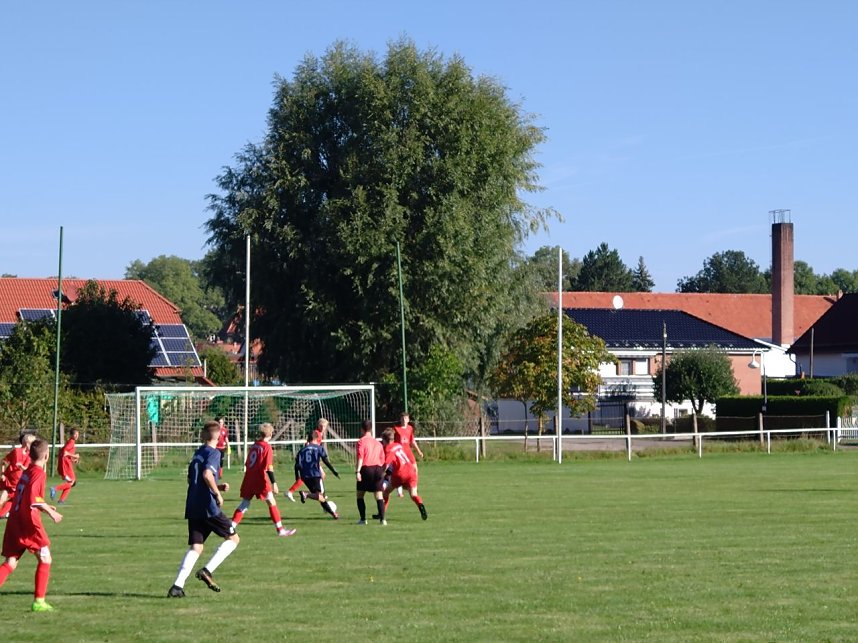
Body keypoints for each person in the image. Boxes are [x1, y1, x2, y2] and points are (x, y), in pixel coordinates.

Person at [168, 420, 240, 598]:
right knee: (233, 538)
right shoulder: (214, 453)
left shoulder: (198, 453)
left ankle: (177, 586)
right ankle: (207, 570)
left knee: (196, 547)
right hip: (208, 506)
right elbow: (207, 474)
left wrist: (217, 486)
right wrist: (217, 493)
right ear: (219, 435)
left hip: (193, 504)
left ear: (203, 435)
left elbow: (192, 478)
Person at [0, 438, 64, 612]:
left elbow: (30, 496)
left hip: (14, 520)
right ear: (47, 456)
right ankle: (39, 601)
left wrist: (43, 505)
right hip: (28, 523)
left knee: (11, 562)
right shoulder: (38, 473)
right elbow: (32, 499)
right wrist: (52, 513)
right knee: (45, 557)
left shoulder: (27, 471)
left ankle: (39, 601)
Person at [230, 423, 296, 537]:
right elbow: (269, 467)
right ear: (270, 434)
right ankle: (280, 530)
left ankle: (231, 527)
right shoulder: (267, 447)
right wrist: (274, 482)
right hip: (259, 478)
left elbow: (248, 462)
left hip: (248, 477)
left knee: (245, 503)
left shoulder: (254, 445)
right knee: (271, 501)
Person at [381, 428, 427, 521]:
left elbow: (386, 465)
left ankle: (382, 514)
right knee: (413, 494)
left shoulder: (388, 449)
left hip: (399, 474)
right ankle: (420, 504)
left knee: (385, 493)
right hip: (411, 470)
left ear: (385, 440)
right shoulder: (398, 445)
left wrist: (379, 474)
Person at [294, 428, 340, 519]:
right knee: (320, 495)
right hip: (315, 474)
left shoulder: (302, 450)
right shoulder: (319, 448)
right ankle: (305, 494)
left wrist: (297, 477)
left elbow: (297, 465)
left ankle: (333, 514)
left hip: (305, 476)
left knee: (319, 496)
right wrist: (333, 471)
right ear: (316, 438)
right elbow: (326, 461)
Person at [285, 418, 328, 502]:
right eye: (321, 426)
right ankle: (291, 491)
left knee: (321, 475)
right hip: (310, 460)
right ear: (318, 425)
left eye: (324, 426)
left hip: (311, 459)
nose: (323, 427)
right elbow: (309, 445)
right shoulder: (317, 434)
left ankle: (320, 493)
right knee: (312, 476)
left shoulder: (318, 434)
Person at [354, 420, 386, 525]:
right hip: (378, 469)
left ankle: (363, 519)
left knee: (360, 495)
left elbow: (360, 457)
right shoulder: (378, 443)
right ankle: (383, 520)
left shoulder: (361, 441)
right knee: (379, 496)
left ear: (362, 429)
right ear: (371, 429)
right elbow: (382, 460)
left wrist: (358, 471)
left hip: (366, 469)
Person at [0, 432, 36, 518]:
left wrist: (22, 467)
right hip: (9, 481)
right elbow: (4, 461)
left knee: (15, 500)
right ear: (26, 443)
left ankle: (1, 514)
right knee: (1, 500)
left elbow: (26, 468)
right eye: (32, 444)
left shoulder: (29, 455)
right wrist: (2, 474)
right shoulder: (16, 451)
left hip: (19, 483)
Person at [392, 412, 423, 498]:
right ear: (400, 419)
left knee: (415, 469)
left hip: (408, 452)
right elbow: (392, 440)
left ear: (408, 420)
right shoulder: (396, 429)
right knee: (400, 471)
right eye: (402, 418)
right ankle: (399, 491)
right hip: (400, 453)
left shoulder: (410, 428)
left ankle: (414, 487)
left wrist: (419, 451)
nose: (404, 420)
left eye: (405, 418)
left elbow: (412, 441)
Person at [50, 428, 80, 504]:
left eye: (77, 434)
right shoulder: (71, 442)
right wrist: (75, 456)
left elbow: (65, 453)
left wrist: (73, 459)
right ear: (71, 435)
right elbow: (65, 452)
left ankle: (61, 500)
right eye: (75, 434)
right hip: (66, 465)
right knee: (72, 482)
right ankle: (55, 489)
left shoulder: (71, 442)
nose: (76, 436)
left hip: (66, 463)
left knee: (71, 483)